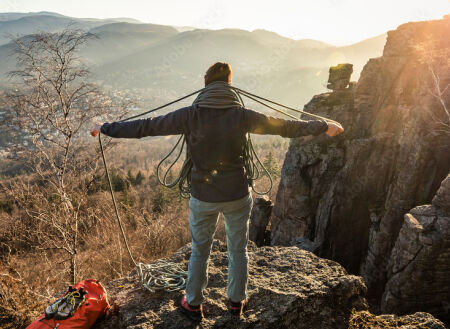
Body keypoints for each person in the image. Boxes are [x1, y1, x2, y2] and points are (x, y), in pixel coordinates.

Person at [90, 62, 344, 321]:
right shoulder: (243, 116)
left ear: (206, 84)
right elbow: (285, 127)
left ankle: (193, 303)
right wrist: (323, 126)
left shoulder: (191, 115)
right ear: (229, 84)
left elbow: (146, 127)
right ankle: (236, 302)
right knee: (238, 249)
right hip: (237, 194)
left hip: (203, 195)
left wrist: (105, 127)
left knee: (201, 249)